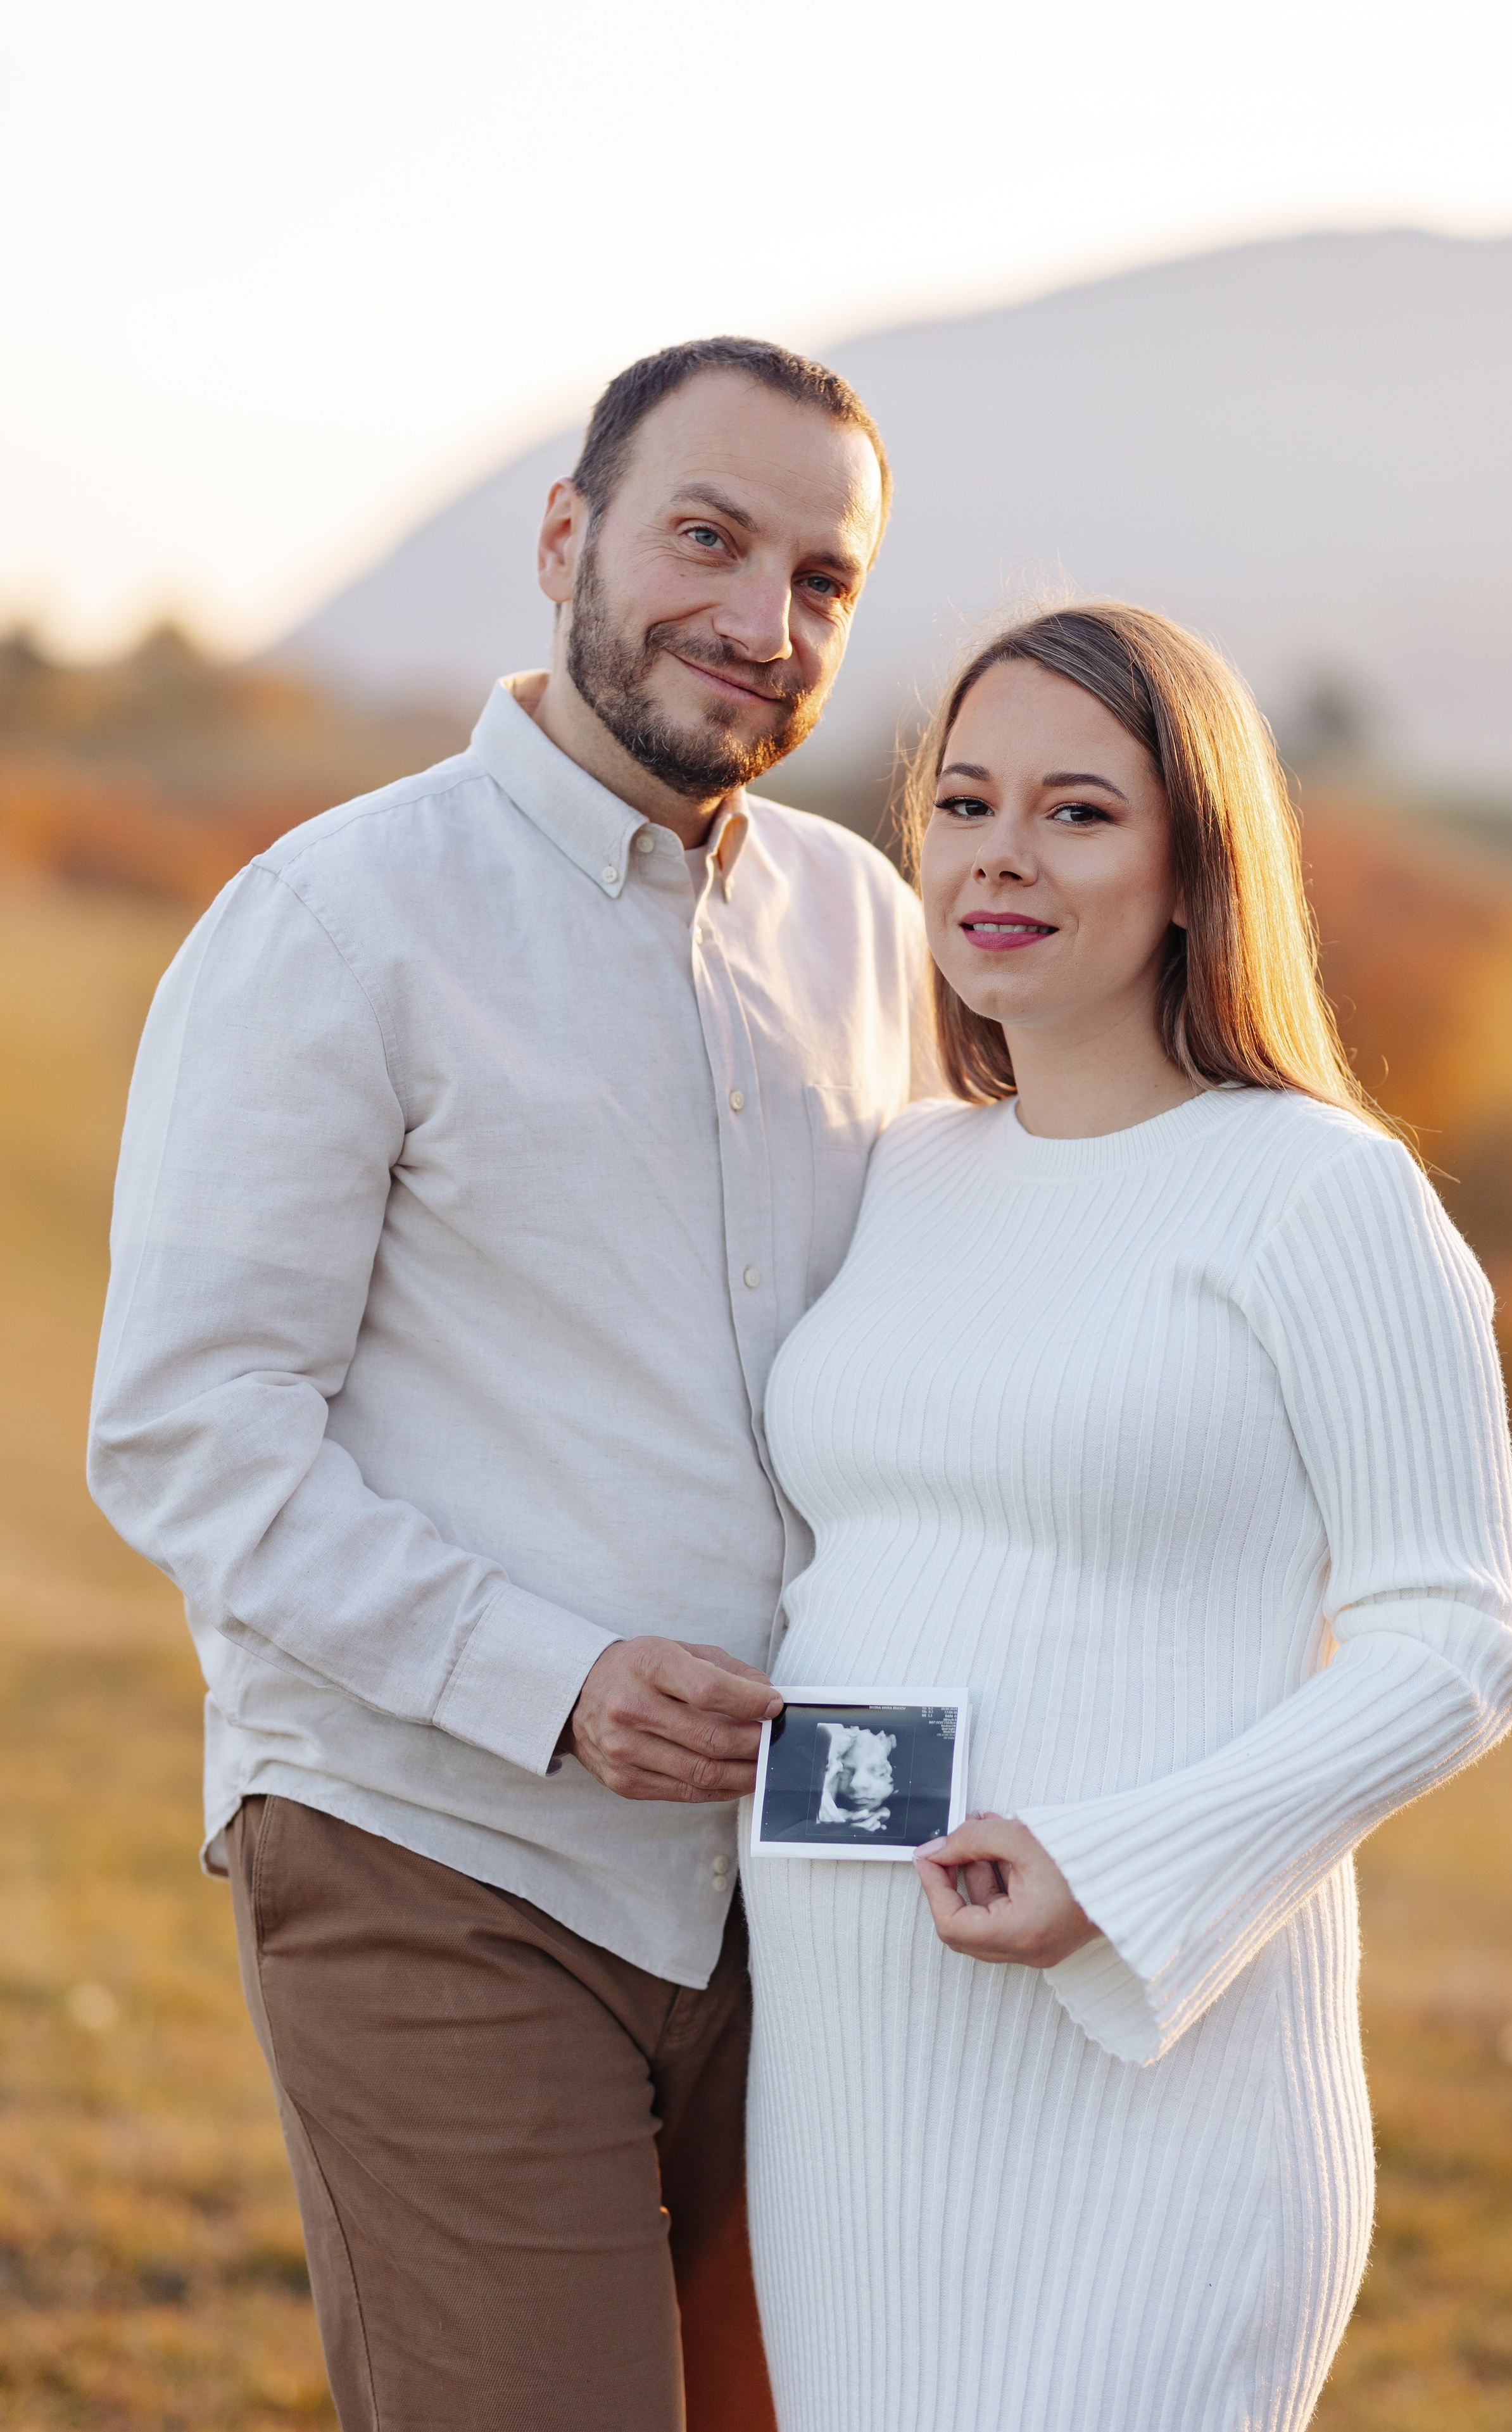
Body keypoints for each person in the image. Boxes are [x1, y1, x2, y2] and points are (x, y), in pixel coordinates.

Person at [87, 336, 935, 2432]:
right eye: (709, 540)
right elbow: (189, 1427)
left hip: (794, 1911)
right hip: (438, 1856)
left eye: (822, 581)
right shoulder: (337, 921)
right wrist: (547, 1677)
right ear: (568, 537)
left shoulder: (869, 929)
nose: (762, 622)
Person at [741, 603, 1512, 2432]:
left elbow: (1459, 1638)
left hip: (1150, 2074)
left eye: (1081, 811)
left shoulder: (1320, 1193)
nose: (1002, 854)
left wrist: (1118, 1867)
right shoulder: (905, 1171)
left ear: (1196, 870)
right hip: (856, 2084)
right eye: (963, 801)